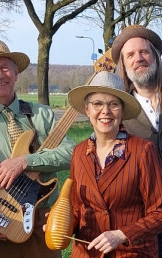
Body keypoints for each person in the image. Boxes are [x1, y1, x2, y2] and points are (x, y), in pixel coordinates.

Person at [0, 38, 75, 258]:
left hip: (41, 222)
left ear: (16, 73)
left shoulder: (42, 114)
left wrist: (25, 161)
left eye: (5, 68)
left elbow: (72, 153)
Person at [62, 71, 162, 257]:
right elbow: (76, 208)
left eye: (113, 104)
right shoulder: (79, 153)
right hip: (87, 252)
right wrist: (61, 224)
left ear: (122, 111)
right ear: (87, 109)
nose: (105, 111)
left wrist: (122, 234)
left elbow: (158, 213)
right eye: (97, 104)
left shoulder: (142, 151)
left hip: (131, 252)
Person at [111, 24, 162, 256]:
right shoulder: (117, 114)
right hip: (143, 224)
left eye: (144, 52)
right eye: (130, 55)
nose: (138, 58)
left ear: (155, 56)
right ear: (124, 64)